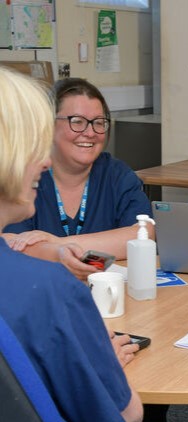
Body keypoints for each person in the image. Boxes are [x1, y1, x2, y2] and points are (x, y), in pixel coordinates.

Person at [0, 66, 188, 422]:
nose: (45, 161)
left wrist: (50, 245)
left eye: (98, 123)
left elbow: (146, 231)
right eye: (35, 147)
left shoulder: (115, 176)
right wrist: (103, 361)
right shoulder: (48, 291)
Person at [2, 77, 153, 280]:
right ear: (49, 124)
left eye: (99, 123)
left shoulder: (115, 174)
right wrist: (69, 251)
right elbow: (12, 244)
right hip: (40, 287)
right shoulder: (28, 176)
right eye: (77, 122)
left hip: (103, 286)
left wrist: (58, 244)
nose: (90, 132)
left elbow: (143, 235)